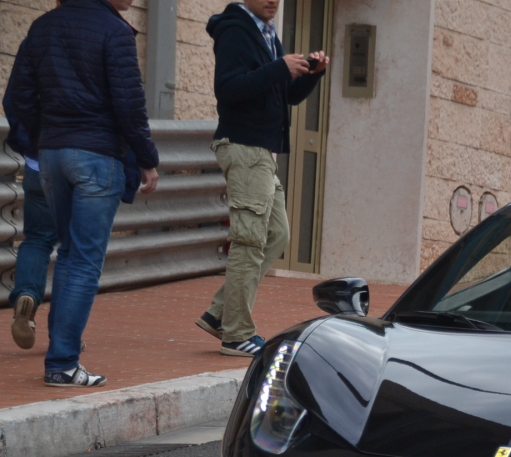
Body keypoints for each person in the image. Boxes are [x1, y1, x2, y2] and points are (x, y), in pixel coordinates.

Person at [4, 0, 160, 387]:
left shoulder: (43, 26)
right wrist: (147, 158)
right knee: (83, 260)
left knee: (69, 252)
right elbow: (130, 103)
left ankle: (62, 354)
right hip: (96, 156)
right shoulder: (115, 31)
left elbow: (17, 97)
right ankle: (62, 363)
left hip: (53, 156)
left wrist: (45, 137)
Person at [195, 0, 328, 357]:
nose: (274, 1)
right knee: (249, 242)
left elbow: (284, 95)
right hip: (245, 146)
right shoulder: (236, 30)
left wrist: (311, 75)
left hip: (262, 152)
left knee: (276, 233)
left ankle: (220, 313)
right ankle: (236, 334)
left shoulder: (266, 32)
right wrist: (279, 68)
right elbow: (228, 89)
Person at [2, 93, 57, 351]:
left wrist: (27, 143)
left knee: (37, 238)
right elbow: (126, 103)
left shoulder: (35, 49)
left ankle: (27, 295)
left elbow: (15, 96)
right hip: (88, 159)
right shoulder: (108, 50)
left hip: (41, 159)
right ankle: (64, 334)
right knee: (78, 250)